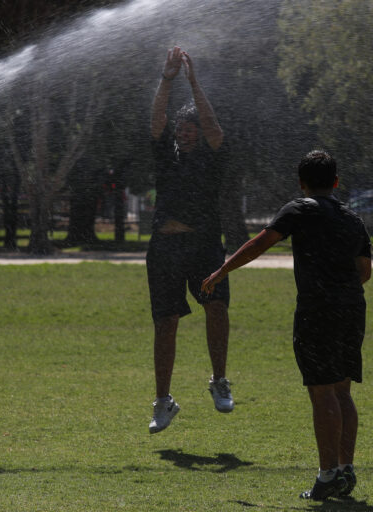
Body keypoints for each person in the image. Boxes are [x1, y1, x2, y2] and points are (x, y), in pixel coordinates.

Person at [202, 150, 372, 500]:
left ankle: (327, 477)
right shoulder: (354, 220)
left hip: (317, 310)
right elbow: (365, 272)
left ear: (302, 182)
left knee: (321, 391)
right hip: (352, 309)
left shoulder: (300, 209)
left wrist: (223, 270)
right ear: (336, 182)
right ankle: (345, 469)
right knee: (342, 390)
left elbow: (259, 244)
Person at [147, 46, 233, 434]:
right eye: (180, 129)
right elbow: (156, 120)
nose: (183, 132)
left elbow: (214, 126)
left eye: (189, 127)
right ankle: (163, 401)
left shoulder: (212, 155)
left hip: (204, 246)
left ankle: (219, 380)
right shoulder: (166, 155)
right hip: (165, 248)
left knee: (216, 307)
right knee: (165, 322)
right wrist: (167, 79)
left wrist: (194, 82)